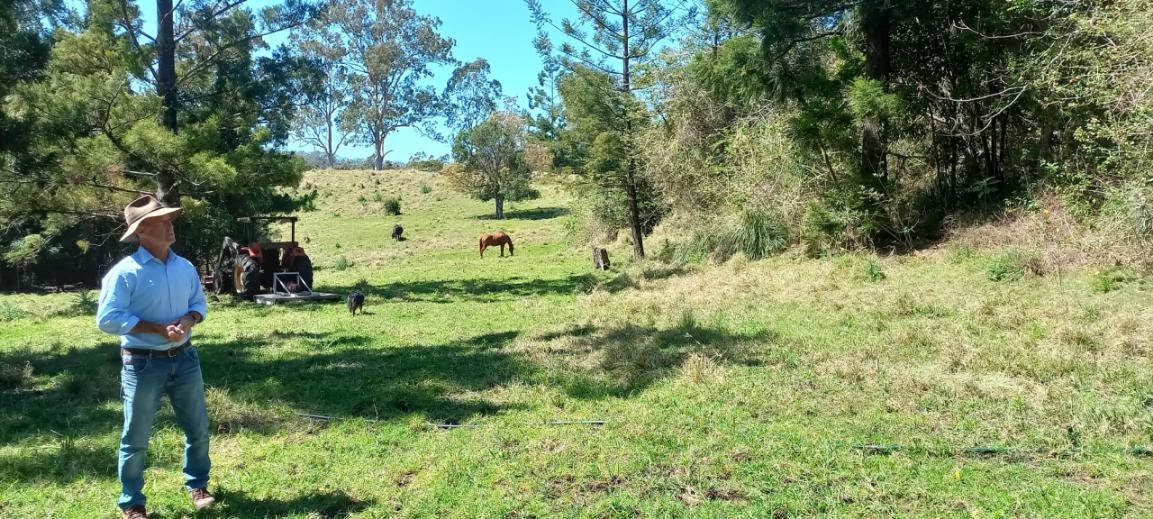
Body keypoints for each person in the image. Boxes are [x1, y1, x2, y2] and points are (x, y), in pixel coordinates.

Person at [96, 195, 215, 518]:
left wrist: (189, 320)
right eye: (162, 222)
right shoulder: (125, 273)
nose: (170, 226)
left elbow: (198, 304)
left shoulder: (185, 267)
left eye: (170, 220)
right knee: (136, 436)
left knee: (198, 429)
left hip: (185, 358)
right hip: (142, 363)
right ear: (142, 231)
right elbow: (107, 318)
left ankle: (198, 484)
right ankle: (132, 502)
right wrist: (156, 329)